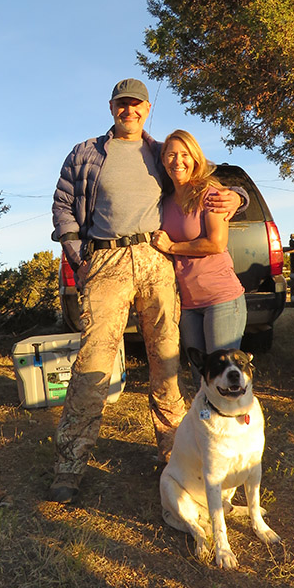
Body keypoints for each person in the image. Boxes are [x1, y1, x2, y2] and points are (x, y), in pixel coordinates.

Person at [49, 78, 247, 504]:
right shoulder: (86, 153)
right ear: (111, 107)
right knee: (94, 362)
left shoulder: (161, 153)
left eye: (137, 104)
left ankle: (175, 456)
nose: (130, 111)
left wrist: (237, 196)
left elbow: (203, 177)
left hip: (156, 261)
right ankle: (70, 464)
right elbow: (63, 205)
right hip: (106, 261)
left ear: (146, 109)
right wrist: (79, 256)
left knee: (167, 363)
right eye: (122, 104)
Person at [152, 130, 247, 385]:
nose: (178, 161)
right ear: (163, 159)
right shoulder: (165, 201)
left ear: (195, 159)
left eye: (185, 154)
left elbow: (216, 244)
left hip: (221, 299)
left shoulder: (210, 194)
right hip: (188, 304)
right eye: (171, 155)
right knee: (201, 378)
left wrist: (172, 247)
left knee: (224, 377)